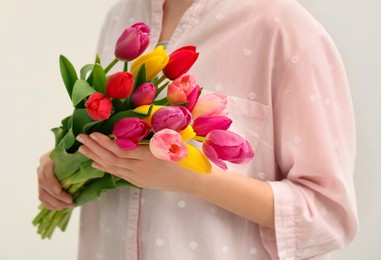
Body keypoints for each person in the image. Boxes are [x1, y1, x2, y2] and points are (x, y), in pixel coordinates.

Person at [37, 0, 359, 259]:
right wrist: (64, 165)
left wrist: (196, 179)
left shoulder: (285, 30)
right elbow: (107, 129)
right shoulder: (122, 16)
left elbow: (329, 216)